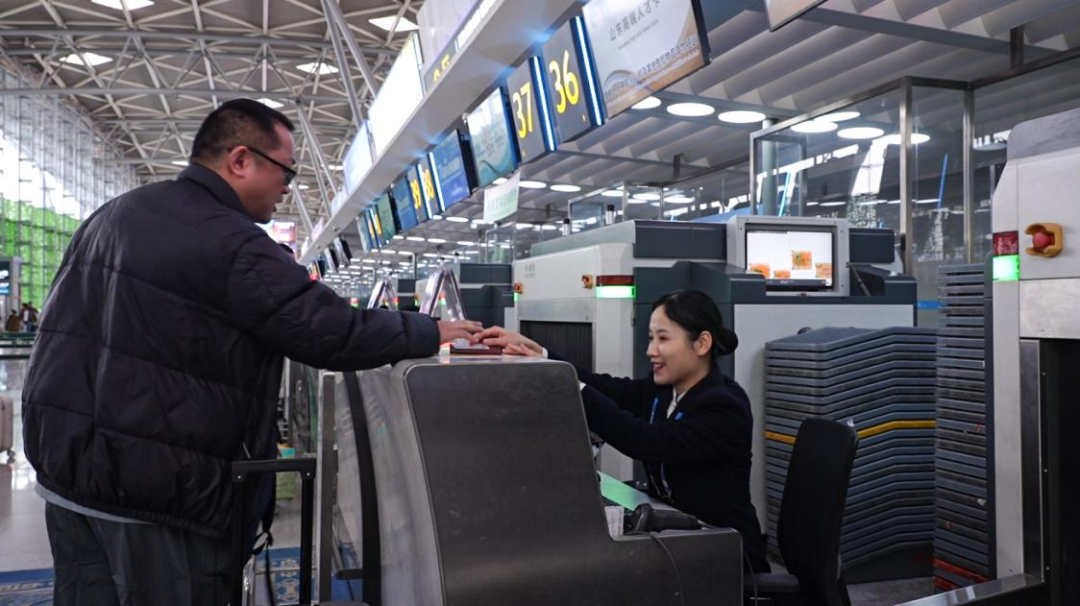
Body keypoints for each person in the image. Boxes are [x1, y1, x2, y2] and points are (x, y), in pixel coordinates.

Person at [21, 98, 481, 606]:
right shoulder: (230, 239)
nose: (288, 188)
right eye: (286, 171)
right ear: (240, 160)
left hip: (72, 482)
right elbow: (328, 330)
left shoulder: (113, 215)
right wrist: (434, 331)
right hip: (159, 498)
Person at [477, 289, 770, 572]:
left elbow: (646, 441)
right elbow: (608, 388)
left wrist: (569, 385)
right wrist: (541, 355)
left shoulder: (724, 407)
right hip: (678, 544)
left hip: (726, 558)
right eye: (651, 338)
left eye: (663, 339)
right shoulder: (664, 391)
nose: (651, 350)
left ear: (702, 344)